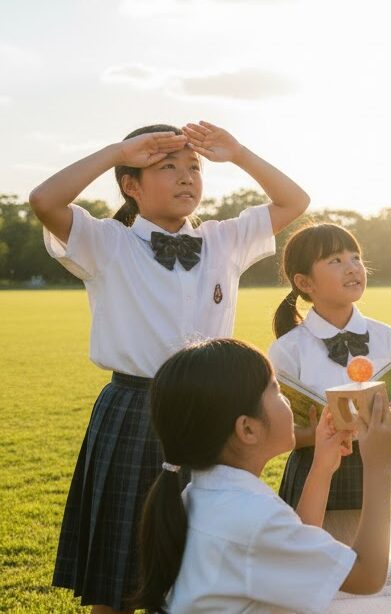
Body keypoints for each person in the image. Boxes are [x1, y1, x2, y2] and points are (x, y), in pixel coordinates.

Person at [29, 122, 309, 612]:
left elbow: (294, 201)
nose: (186, 177)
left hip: (213, 410)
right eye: (167, 167)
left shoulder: (224, 239)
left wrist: (238, 153)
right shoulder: (107, 242)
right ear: (131, 186)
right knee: (118, 576)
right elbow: (44, 200)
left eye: (193, 167)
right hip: (134, 409)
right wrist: (116, 151)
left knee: (203, 564)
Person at [132, 338, 391, 612]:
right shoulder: (252, 519)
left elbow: (293, 544)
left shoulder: (205, 495)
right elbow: (367, 576)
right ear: (247, 429)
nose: (286, 400)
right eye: (277, 391)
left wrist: (322, 465)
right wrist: (378, 467)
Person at [269, 223, 391, 509]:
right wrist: (326, 432)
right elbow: (279, 436)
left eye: (355, 258)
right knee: (313, 539)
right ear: (305, 283)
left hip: (376, 466)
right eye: (335, 260)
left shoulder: (386, 337)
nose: (352, 268)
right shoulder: (287, 349)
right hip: (313, 470)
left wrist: (378, 420)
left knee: (382, 538)